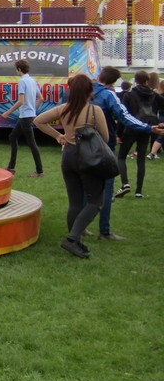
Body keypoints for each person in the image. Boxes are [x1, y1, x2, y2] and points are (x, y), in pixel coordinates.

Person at [33, 74, 109, 259]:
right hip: (88, 158)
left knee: (75, 202)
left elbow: (38, 121)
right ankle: (73, 239)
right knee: (95, 201)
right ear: (89, 91)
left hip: (68, 156)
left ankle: (75, 242)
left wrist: (58, 136)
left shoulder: (64, 109)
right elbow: (105, 138)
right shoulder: (94, 110)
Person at [90, 66, 164, 241]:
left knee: (87, 187)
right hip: (104, 145)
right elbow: (124, 116)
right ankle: (104, 231)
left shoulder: (84, 93)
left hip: (82, 144)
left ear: (99, 76)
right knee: (107, 187)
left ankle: (80, 228)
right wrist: (148, 127)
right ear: (113, 82)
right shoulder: (108, 95)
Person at [116, 71, 159, 199]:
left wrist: (119, 133)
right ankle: (138, 191)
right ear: (147, 81)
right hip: (147, 128)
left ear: (135, 80)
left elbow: (124, 116)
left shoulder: (129, 95)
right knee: (141, 160)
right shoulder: (153, 95)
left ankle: (125, 183)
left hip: (131, 128)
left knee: (121, 157)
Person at [1, 59, 44, 177]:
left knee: (32, 143)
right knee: (12, 137)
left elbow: (20, 101)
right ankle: (11, 166)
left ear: (19, 69)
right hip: (27, 116)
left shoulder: (22, 82)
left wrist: (7, 112)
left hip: (25, 116)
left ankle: (40, 171)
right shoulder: (32, 81)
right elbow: (41, 98)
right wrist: (33, 109)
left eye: (16, 68)